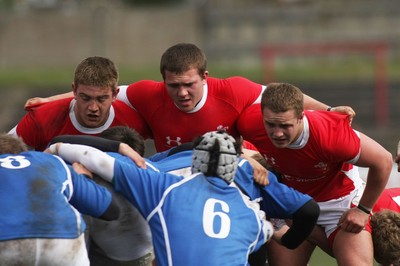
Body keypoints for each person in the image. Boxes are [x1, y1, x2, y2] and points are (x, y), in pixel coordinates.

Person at [24, 43, 355, 153]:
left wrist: (328, 109)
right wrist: (49, 100)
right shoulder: (146, 93)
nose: (181, 93)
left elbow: (281, 94)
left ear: (204, 78)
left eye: (189, 85)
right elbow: (99, 91)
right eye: (173, 86)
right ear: (162, 81)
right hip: (175, 190)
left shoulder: (233, 90)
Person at [48, 130, 280, 266]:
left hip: (108, 219)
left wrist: (55, 149)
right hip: (134, 236)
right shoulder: (240, 200)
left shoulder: (163, 169)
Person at [244, 82, 393, 266]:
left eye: (285, 126)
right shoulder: (249, 121)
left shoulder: (329, 133)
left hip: (340, 206)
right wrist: (247, 157)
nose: (277, 133)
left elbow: (384, 161)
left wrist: (363, 210)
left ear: (301, 116)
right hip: (294, 207)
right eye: (271, 124)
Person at [0, 133, 119, 266]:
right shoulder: (49, 160)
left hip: (5, 239)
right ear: (23, 153)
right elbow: (110, 210)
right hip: (62, 238)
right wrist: (84, 178)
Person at [51, 127, 154, 266]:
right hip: (143, 251)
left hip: (113, 252)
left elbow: (59, 141)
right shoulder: (153, 175)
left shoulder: (84, 175)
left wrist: (80, 178)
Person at [9, 56, 151, 154]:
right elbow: (5, 152)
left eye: (101, 99)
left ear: (115, 94)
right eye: (86, 98)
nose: (93, 108)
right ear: (74, 90)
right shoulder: (43, 118)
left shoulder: (133, 122)